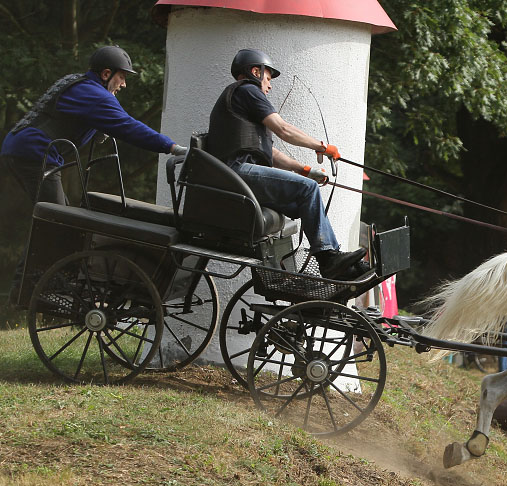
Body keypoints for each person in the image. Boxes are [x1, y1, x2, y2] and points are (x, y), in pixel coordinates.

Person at [1, 45, 186, 302]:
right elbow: (128, 127)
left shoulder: (79, 85)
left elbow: (72, 116)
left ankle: (33, 289)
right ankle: (32, 291)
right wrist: (171, 147)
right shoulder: (94, 94)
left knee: (57, 218)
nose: (123, 85)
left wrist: (97, 129)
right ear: (106, 73)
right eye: (122, 77)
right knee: (57, 220)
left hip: (26, 149)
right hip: (34, 153)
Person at [205, 49, 367, 279]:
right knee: (306, 189)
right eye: (268, 79)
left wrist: (304, 169)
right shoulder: (248, 91)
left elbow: (271, 153)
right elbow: (283, 130)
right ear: (255, 71)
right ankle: (329, 259)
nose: (269, 86)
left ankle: (336, 261)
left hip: (237, 173)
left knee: (305, 188)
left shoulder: (242, 101)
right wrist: (320, 146)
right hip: (236, 173)